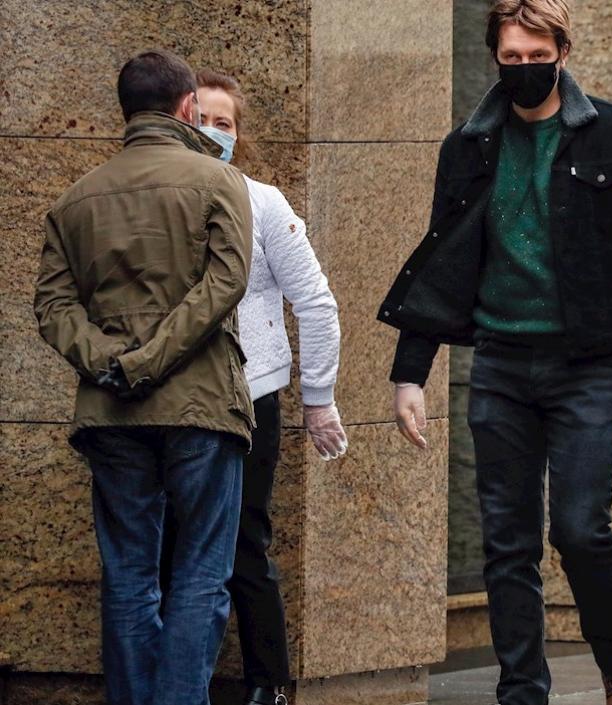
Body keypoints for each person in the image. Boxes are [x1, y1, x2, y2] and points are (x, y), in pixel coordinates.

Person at [379, 1, 612, 703]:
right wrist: (411, 372)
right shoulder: (468, 144)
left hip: (586, 365)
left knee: (580, 529)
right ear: (496, 56)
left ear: (563, 50)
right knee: (507, 541)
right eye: (511, 58)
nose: (525, 70)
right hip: (498, 363)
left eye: (537, 56)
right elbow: (441, 262)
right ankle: (522, 689)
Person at [32, 50, 253, 705]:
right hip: (202, 407)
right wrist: (152, 359)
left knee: (128, 572)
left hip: (112, 412)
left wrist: (110, 363)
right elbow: (226, 282)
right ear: (188, 107)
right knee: (201, 571)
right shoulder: (218, 182)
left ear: (125, 109)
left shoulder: (74, 201)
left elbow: (51, 305)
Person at [188, 68, 346, 705]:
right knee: (172, 542)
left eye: (223, 123)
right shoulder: (152, 196)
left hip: (251, 393)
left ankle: (268, 685)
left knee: (246, 537)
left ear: (239, 135)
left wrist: (318, 397)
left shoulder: (264, 202)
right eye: (200, 120)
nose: (211, 133)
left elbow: (315, 301)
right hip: (166, 395)